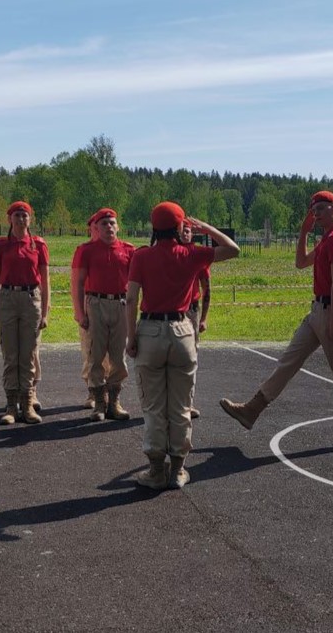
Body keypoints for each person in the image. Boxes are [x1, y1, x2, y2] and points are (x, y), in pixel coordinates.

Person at [220, 190, 333, 448]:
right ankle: (252, 410)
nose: (317, 214)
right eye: (314, 211)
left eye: (322, 208)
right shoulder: (326, 240)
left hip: (331, 312)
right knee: (288, 362)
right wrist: (303, 232)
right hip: (317, 312)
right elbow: (301, 262)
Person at [126, 202, 240, 490]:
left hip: (150, 331)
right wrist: (206, 228)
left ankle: (156, 470)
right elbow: (233, 249)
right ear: (179, 227)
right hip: (182, 331)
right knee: (180, 407)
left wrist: (130, 337)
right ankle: (178, 469)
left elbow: (131, 299)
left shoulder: (142, 256)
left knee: (154, 406)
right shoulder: (192, 254)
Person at [0, 201, 50, 425]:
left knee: (28, 355)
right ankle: (11, 406)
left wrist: (45, 312)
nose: (21, 219)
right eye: (17, 215)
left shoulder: (38, 245)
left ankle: (27, 404)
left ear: (30, 219)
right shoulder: (1, 245)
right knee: (10, 355)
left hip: (30, 299)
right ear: (9, 219)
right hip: (6, 298)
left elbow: (45, 281)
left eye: (25, 216)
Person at [73, 207, 136, 422]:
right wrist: (81, 313)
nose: (109, 227)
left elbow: (135, 283)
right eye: (104, 224)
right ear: (96, 228)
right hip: (96, 303)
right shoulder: (86, 250)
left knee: (118, 356)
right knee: (96, 355)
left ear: (118, 227)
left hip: (120, 304)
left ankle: (114, 402)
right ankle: (99, 402)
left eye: (112, 223)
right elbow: (79, 283)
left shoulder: (129, 250)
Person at [71, 214, 111, 410]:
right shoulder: (84, 250)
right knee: (90, 349)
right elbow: (75, 283)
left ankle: (109, 391)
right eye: (96, 227)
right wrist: (79, 312)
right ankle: (93, 391)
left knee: (112, 353)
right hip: (91, 302)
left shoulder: (117, 248)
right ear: (91, 229)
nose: (99, 230)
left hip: (112, 304)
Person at [180, 220, 211, 419]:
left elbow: (207, 289)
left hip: (191, 311)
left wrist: (203, 318)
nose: (185, 234)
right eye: (181, 230)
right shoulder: (167, 254)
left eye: (188, 231)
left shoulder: (198, 257)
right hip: (172, 312)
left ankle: (187, 403)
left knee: (190, 358)